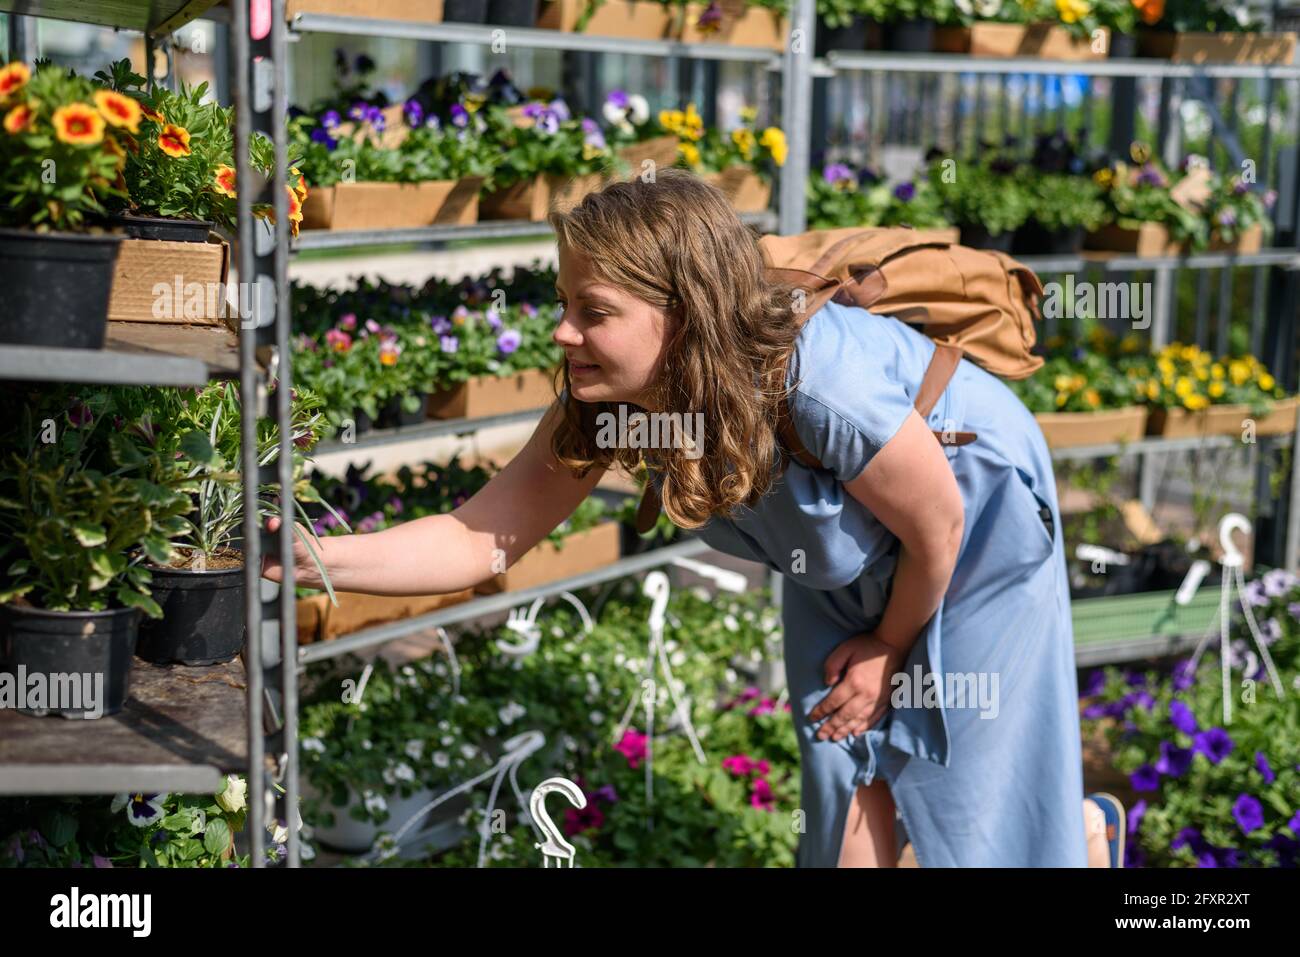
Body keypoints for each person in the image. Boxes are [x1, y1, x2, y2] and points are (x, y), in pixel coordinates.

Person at [265, 167, 1117, 868]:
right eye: (566, 303)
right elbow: (481, 538)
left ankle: (1079, 835)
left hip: (972, 527)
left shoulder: (819, 387)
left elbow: (938, 525)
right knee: (845, 782)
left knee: (980, 807)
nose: (564, 332)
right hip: (831, 548)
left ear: (685, 316)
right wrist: (315, 557)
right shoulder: (609, 401)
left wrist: (891, 649)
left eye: (593, 311)